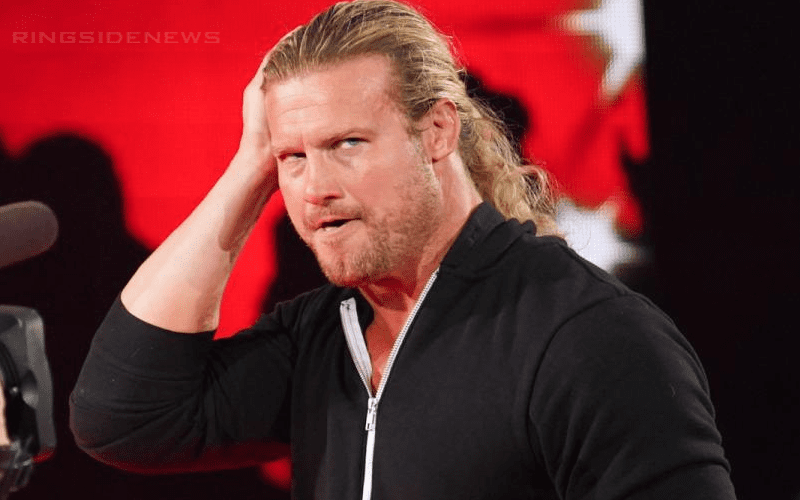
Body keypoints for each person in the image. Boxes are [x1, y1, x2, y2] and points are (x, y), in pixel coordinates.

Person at [69, 1, 737, 498]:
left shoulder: (588, 336)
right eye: (293, 157)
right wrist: (249, 167)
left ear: (438, 129)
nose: (315, 188)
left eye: (347, 144)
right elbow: (123, 419)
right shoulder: (322, 335)